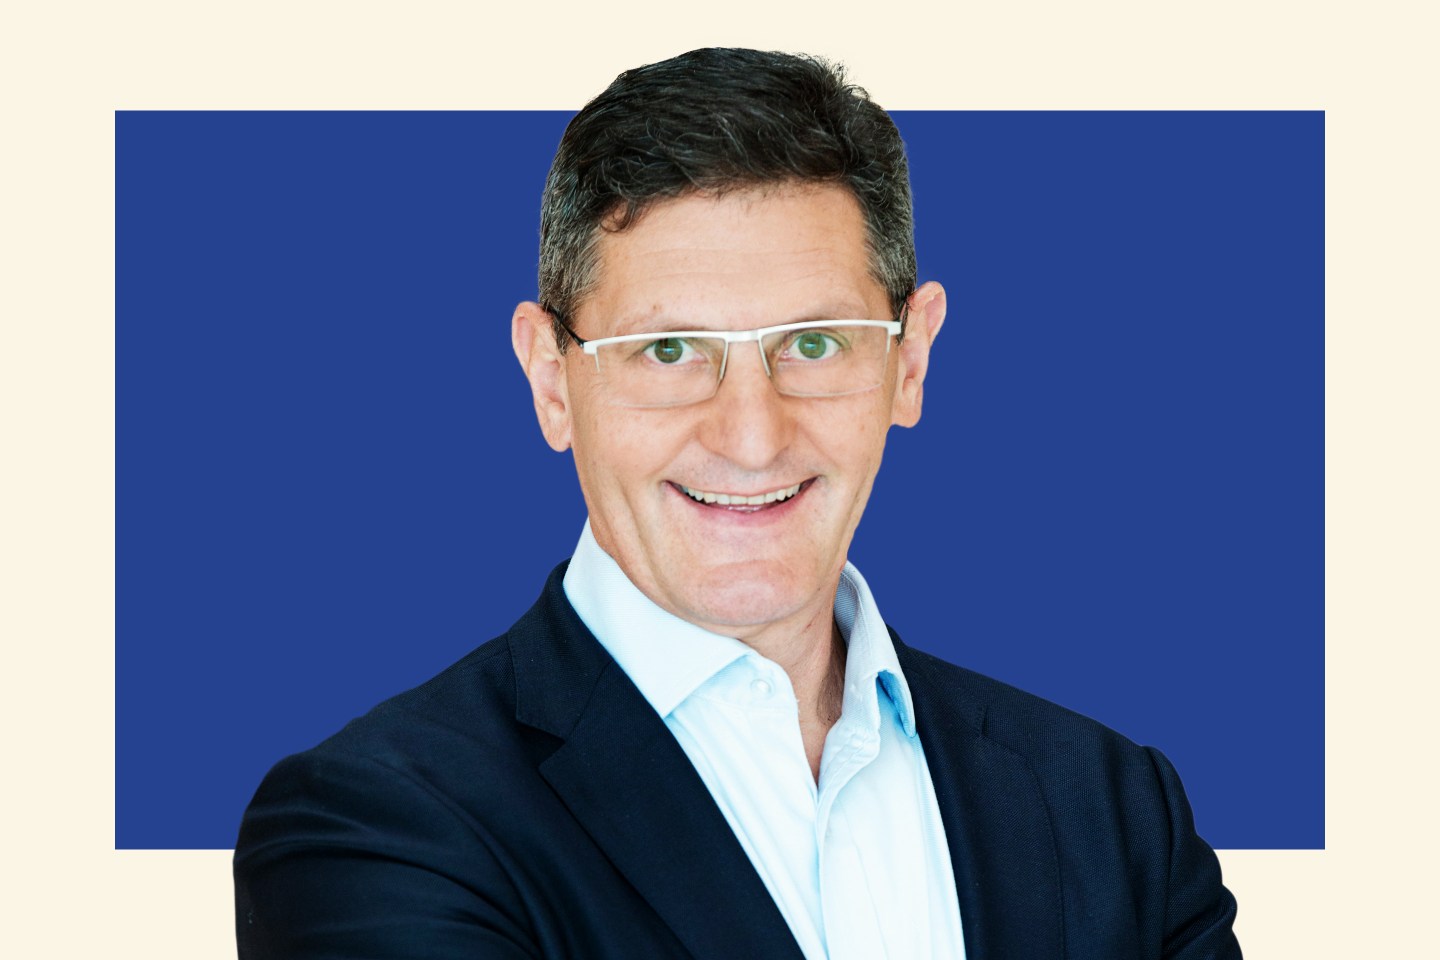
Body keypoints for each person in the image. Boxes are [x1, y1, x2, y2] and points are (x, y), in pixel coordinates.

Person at [234, 48, 1241, 959]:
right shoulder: (376, 827)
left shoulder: (1112, 809)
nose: (751, 436)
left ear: (910, 361)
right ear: (551, 380)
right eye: (669, 350)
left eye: (814, 343)